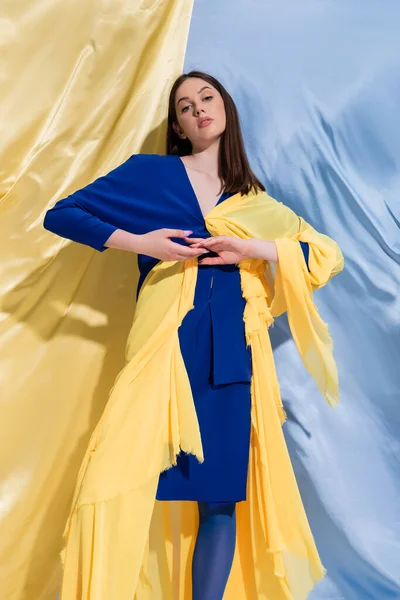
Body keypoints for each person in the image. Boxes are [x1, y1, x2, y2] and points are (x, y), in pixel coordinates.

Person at [44, 71, 343, 600]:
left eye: (207, 98)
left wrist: (255, 249)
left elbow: (323, 254)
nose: (198, 109)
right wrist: (142, 242)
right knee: (114, 481)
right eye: (185, 106)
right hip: (163, 353)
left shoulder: (256, 203)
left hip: (230, 360)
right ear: (179, 126)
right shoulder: (150, 176)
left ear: (225, 108)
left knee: (220, 502)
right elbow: (62, 214)